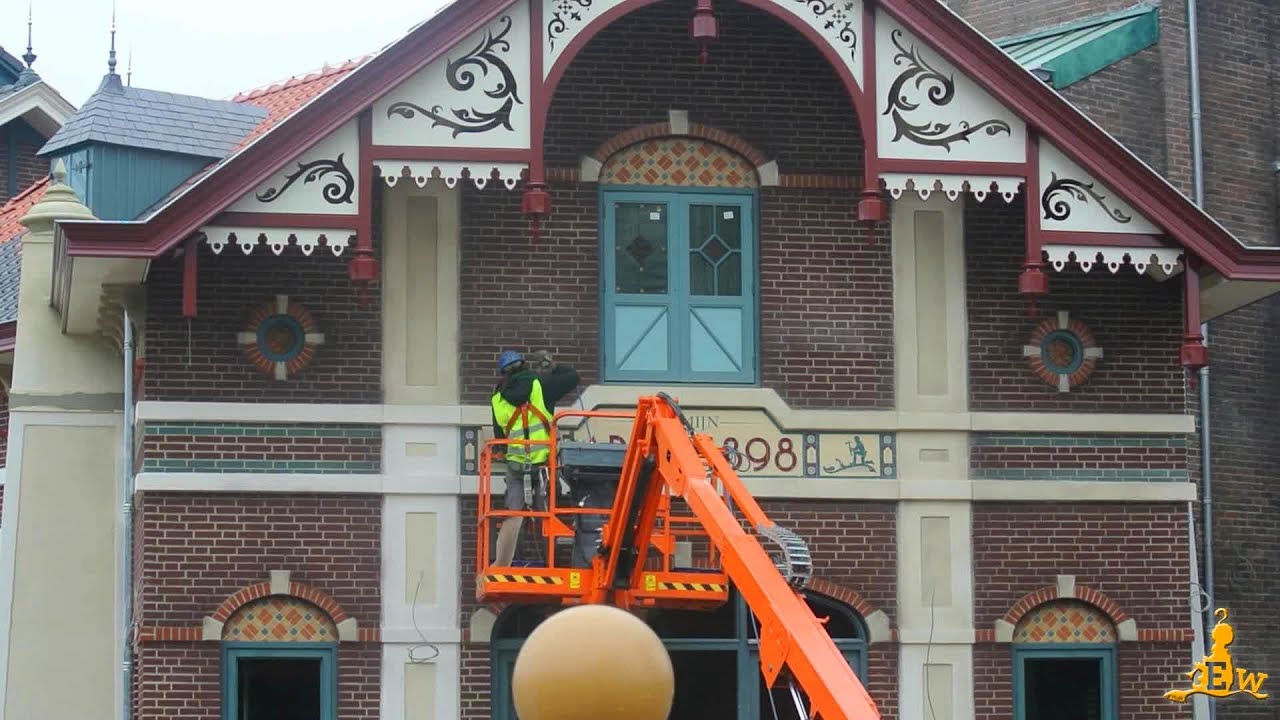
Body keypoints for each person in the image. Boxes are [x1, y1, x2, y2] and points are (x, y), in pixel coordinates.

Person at [491, 350, 580, 567]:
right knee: (546, 516)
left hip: (515, 466)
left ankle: (510, 563)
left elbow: (499, 438)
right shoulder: (540, 385)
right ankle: (550, 564)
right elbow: (573, 377)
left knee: (513, 515)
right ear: (523, 365)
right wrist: (554, 367)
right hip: (543, 466)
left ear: (503, 373)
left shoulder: (497, 399)